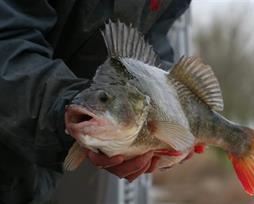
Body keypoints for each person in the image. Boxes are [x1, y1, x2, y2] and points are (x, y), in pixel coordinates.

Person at [0, 0, 193, 203]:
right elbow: (7, 41)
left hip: (35, 174)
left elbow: (153, 52)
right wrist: (62, 109)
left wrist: (172, 129)